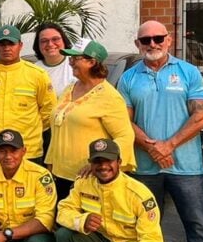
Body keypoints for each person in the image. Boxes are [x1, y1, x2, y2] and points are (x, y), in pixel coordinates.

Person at [117, 20, 203, 242]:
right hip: (145, 168)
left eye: (158, 38)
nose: (152, 44)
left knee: (197, 226)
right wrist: (152, 148)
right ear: (138, 44)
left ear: (169, 40)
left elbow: (201, 116)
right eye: (145, 40)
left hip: (186, 167)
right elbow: (123, 122)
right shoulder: (128, 78)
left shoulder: (188, 72)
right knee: (144, 227)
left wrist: (168, 145)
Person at [56, 138, 166, 242]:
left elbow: (152, 241)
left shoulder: (138, 194)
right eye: (97, 161)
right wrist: (82, 221)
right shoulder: (83, 183)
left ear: (119, 162)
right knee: (64, 236)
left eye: (108, 160)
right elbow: (63, 210)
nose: (103, 166)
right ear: (90, 163)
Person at [46, 38, 136, 200]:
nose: (71, 62)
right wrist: (50, 162)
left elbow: (125, 136)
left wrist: (100, 164)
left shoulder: (109, 97)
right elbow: (58, 126)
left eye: (75, 58)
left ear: (92, 62)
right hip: (60, 175)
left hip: (89, 178)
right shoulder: (70, 89)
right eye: (70, 58)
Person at [0, 24, 56, 166]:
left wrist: (33, 130)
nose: (6, 48)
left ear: (20, 45)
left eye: (11, 43)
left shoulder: (37, 74)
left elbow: (48, 110)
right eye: (2, 44)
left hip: (28, 149)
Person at [32, 22, 76, 96]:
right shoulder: (33, 70)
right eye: (44, 41)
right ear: (38, 45)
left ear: (64, 41)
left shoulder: (76, 64)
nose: (50, 44)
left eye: (55, 39)